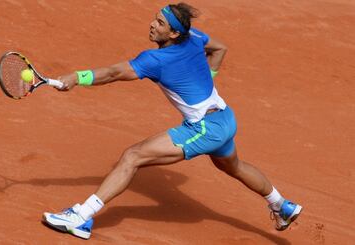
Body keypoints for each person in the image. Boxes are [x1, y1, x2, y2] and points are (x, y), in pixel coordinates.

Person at [42, 2, 302, 240]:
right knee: (234, 167)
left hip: (204, 129)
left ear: (174, 33)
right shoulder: (195, 38)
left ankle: (81, 217)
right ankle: (281, 205)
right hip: (225, 118)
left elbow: (112, 73)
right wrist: (207, 77)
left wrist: (77, 77)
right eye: (155, 19)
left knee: (132, 156)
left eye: (160, 24)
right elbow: (220, 48)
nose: (153, 25)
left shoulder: (154, 59)